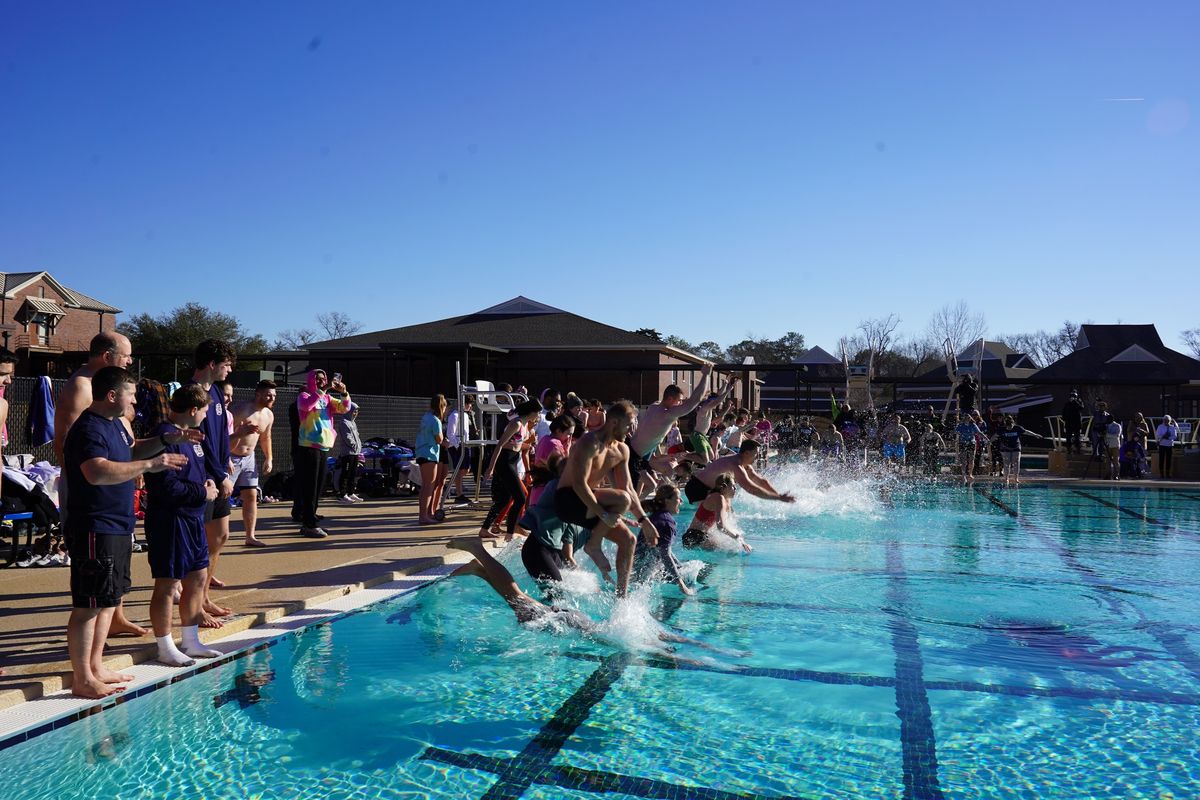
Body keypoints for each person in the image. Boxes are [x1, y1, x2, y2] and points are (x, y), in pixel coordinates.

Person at [63, 366, 194, 697]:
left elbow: (131, 451)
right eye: (131, 394)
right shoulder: (89, 429)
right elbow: (96, 472)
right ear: (112, 396)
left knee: (108, 600)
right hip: (95, 526)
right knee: (88, 605)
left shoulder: (116, 426)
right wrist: (152, 466)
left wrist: (165, 441)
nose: (136, 399)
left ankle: (95, 667)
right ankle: (82, 677)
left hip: (118, 525)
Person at [51, 333, 147, 638]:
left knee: (115, 565)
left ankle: (115, 616)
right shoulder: (82, 386)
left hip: (115, 485)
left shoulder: (115, 387)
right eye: (126, 355)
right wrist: (88, 487)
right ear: (107, 356)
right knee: (95, 569)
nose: (130, 361)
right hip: (93, 491)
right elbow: (68, 441)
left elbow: (122, 438)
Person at [145, 385, 224, 666]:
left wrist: (208, 483)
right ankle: (165, 646)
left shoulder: (191, 437)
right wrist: (203, 493)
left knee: (198, 578)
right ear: (193, 410)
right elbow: (163, 486)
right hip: (171, 519)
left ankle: (190, 641)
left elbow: (194, 473)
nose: (205, 416)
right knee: (168, 584)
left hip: (193, 518)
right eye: (204, 411)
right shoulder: (164, 437)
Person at [555, 399, 660, 597]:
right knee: (622, 500)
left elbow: (627, 487)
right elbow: (579, 484)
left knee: (629, 540)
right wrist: (603, 514)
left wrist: (645, 521)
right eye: (629, 425)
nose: (631, 430)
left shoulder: (621, 450)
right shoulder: (589, 443)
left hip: (589, 503)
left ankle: (622, 598)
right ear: (613, 422)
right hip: (568, 500)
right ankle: (593, 545)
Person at [187, 339, 252, 625]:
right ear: (211, 364)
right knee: (199, 543)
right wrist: (219, 474)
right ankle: (193, 606)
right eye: (225, 365)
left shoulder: (215, 393)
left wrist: (226, 460)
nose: (229, 371)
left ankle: (203, 596)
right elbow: (198, 444)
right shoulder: (192, 395)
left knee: (220, 536)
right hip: (203, 478)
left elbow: (217, 438)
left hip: (219, 473)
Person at [628, 365, 713, 488]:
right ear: (670, 398)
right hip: (635, 456)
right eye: (679, 401)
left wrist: (672, 456)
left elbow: (690, 401)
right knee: (628, 493)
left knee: (663, 474)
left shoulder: (654, 406)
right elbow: (694, 401)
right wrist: (706, 375)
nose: (680, 404)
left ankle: (652, 499)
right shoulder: (667, 414)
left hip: (641, 453)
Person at [294, 369, 351, 537]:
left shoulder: (327, 398)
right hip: (309, 445)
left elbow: (343, 408)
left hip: (324, 445)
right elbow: (306, 406)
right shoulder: (304, 395)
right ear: (311, 380)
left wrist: (344, 393)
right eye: (317, 379)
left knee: (318, 485)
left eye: (323, 379)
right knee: (310, 486)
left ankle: (310, 520)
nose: (320, 382)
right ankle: (308, 523)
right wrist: (322, 390)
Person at [478, 399, 541, 540]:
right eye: (537, 413)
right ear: (531, 412)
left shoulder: (525, 425)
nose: (538, 416)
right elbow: (500, 445)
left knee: (504, 499)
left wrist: (530, 445)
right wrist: (491, 467)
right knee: (520, 497)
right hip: (504, 461)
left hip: (512, 460)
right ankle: (510, 533)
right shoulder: (516, 423)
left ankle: (484, 529)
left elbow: (517, 445)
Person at [229, 380, 276, 546]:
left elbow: (266, 437)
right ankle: (215, 534)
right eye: (268, 395)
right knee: (222, 496)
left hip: (250, 459)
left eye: (274, 395)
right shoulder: (241, 409)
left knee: (251, 496)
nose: (272, 398)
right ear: (258, 394)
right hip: (231, 456)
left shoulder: (268, 415)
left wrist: (268, 458)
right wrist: (225, 457)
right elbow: (223, 432)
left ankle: (250, 536)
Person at [683, 440, 794, 506]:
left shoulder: (745, 465)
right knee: (717, 512)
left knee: (727, 509)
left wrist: (778, 496)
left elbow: (760, 481)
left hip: (711, 489)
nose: (758, 457)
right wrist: (778, 498)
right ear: (746, 453)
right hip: (697, 489)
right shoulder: (736, 465)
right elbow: (751, 488)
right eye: (756, 454)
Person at [633, 484, 694, 595]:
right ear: (667, 501)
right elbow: (665, 554)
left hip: (637, 567)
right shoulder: (667, 522)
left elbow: (664, 550)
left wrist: (679, 566)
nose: (681, 501)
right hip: (643, 572)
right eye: (678, 498)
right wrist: (681, 584)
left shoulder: (658, 516)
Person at [681, 474, 752, 552]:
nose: (735, 488)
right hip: (694, 536)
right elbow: (721, 526)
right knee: (726, 552)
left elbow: (727, 523)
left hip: (695, 536)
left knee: (728, 550)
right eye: (733, 486)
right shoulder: (718, 497)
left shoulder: (723, 499)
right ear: (723, 487)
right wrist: (738, 539)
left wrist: (738, 537)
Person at [415, 395, 448, 525]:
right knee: (429, 485)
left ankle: (426, 514)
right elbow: (439, 439)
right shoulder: (435, 420)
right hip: (429, 453)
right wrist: (446, 443)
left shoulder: (426, 417)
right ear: (442, 406)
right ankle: (423, 516)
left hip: (421, 451)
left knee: (426, 485)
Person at [994, 415, 1045, 487]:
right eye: (1008, 427)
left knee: (1016, 462)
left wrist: (1035, 435)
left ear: (1013, 423)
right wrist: (989, 441)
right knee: (1006, 463)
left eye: (1011, 426)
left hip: (1016, 447)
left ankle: (1016, 478)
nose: (1009, 428)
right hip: (1005, 448)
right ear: (1005, 425)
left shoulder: (1017, 428)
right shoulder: (1001, 429)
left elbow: (1027, 432)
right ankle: (1006, 478)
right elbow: (995, 435)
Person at [331, 402, 363, 504]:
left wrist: (358, 447)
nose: (355, 413)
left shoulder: (353, 423)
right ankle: (342, 495)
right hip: (348, 453)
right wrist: (354, 445)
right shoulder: (344, 422)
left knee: (353, 474)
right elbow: (347, 437)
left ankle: (351, 492)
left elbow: (356, 436)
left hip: (355, 453)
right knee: (345, 473)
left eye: (357, 411)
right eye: (354, 411)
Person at [445, 397, 475, 502]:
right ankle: (459, 494)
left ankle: (448, 485)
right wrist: (458, 446)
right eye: (468, 404)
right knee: (458, 470)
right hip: (456, 446)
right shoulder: (454, 415)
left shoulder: (466, 415)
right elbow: (450, 433)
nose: (470, 406)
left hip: (465, 445)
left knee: (466, 469)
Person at [953, 413, 985, 485]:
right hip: (963, 443)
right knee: (964, 461)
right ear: (964, 419)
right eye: (966, 418)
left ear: (970, 419)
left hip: (971, 443)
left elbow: (979, 432)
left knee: (971, 459)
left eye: (969, 418)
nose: (968, 419)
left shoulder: (973, 425)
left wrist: (986, 438)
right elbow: (955, 431)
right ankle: (964, 475)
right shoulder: (961, 425)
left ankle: (970, 474)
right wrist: (958, 431)